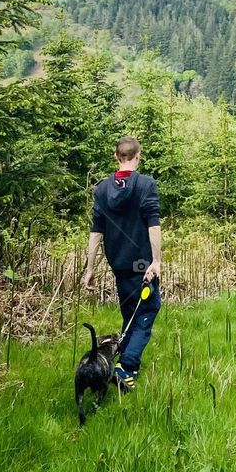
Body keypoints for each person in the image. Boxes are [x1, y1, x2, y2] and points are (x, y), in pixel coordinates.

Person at [83, 135, 162, 391]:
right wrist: (156, 261)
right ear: (138, 156)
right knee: (148, 311)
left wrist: (90, 268)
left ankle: (127, 366)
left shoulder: (102, 189)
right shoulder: (145, 185)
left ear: (117, 157)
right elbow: (153, 225)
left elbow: (96, 233)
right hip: (142, 264)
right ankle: (125, 367)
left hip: (117, 264)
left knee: (130, 315)